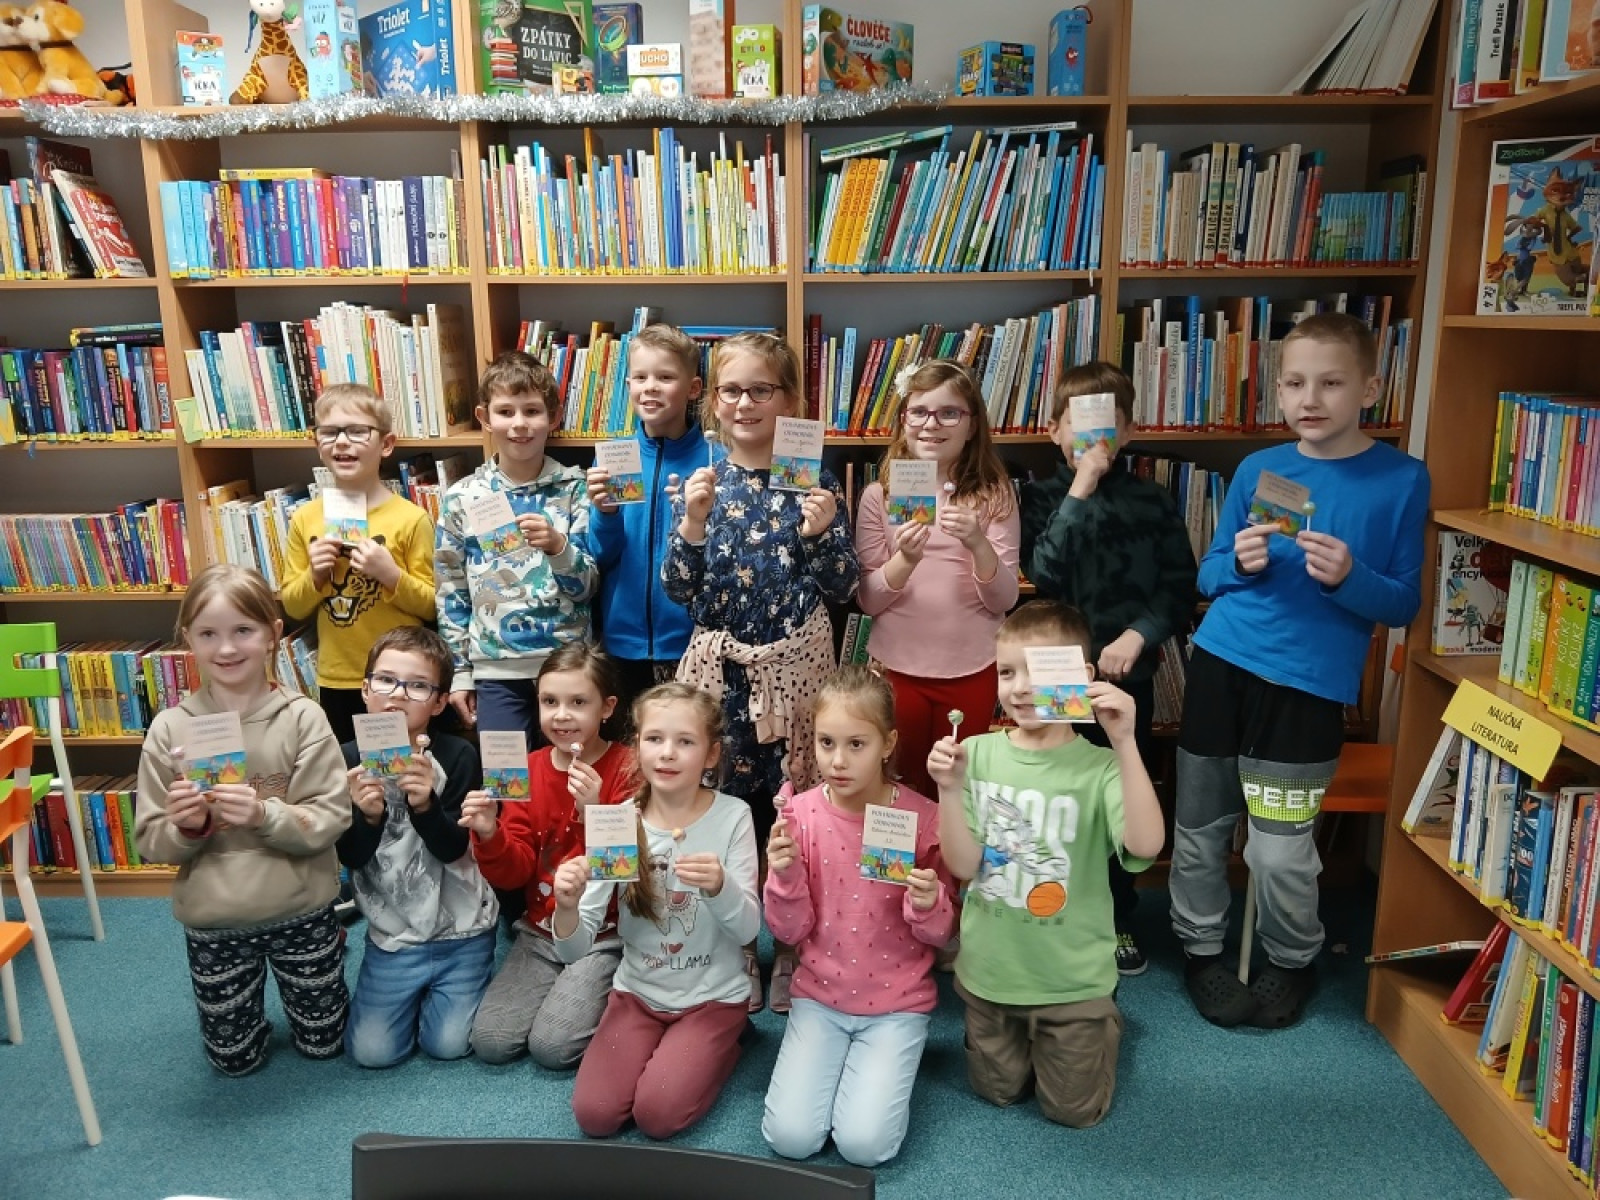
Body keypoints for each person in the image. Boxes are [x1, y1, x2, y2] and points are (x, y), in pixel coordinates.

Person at [1170, 312, 1428, 1030]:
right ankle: (1200, 949)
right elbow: (1209, 572)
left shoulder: (1401, 479)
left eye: (1331, 383)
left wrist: (1350, 576)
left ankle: (1291, 957)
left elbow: (1404, 602)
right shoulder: (1261, 468)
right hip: (1223, 663)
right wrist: (1238, 563)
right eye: (1294, 383)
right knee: (1201, 826)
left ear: (1370, 388)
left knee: (1280, 850)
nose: (1309, 398)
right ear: (1278, 389)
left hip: (1308, 688)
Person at [663, 330, 859, 1013]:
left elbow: (844, 586)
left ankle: (795, 946)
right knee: (730, 809)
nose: (745, 403)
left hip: (797, 673)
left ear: (788, 400)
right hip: (724, 681)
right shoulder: (703, 484)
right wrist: (692, 524)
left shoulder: (815, 480)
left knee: (800, 807)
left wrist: (822, 533)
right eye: (731, 390)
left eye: (761, 390)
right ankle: (742, 946)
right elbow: (678, 590)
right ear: (713, 401)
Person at [927, 600, 1164, 1128]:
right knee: (997, 1092)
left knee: (1073, 1112)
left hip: (1071, 984)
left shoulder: (1102, 767)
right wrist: (949, 789)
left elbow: (1146, 846)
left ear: (1081, 675)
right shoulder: (977, 754)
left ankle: (1101, 1025)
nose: (1020, 688)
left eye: (1037, 671)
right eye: (1007, 672)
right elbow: (963, 866)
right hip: (991, 977)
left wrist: (1124, 741)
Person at [134, 563, 352, 1076]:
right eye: (208, 633)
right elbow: (150, 841)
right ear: (187, 638)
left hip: (301, 908)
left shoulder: (302, 717)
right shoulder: (170, 729)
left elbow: (331, 816)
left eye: (243, 631)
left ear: (273, 633)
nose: (226, 648)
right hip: (216, 918)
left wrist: (263, 814)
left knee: (327, 1043)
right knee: (234, 1062)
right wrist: (188, 827)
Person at [1020, 361, 1198, 976]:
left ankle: (1119, 915)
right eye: (1078, 422)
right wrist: (1081, 486)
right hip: (1056, 671)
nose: (1093, 436)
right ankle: (1053, 908)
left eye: (1107, 423)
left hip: (1125, 677)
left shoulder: (1152, 500)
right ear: (1054, 431)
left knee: (1118, 797)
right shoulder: (1039, 497)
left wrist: (1138, 635)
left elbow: (1179, 586)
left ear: (1127, 431)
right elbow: (1044, 573)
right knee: (1056, 794)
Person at [761, 665, 954, 1167]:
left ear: (888, 744)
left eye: (856, 744)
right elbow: (787, 930)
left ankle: (883, 1065)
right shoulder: (800, 816)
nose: (838, 760)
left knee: (864, 1147)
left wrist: (927, 901)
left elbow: (941, 934)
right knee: (790, 1138)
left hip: (896, 1004)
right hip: (819, 998)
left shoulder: (922, 818)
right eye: (826, 743)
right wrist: (784, 876)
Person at [552, 682, 760, 1140]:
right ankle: (677, 1050)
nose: (667, 753)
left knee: (658, 1116)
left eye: (685, 741)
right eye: (654, 738)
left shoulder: (733, 816)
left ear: (711, 754)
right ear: (637, 747)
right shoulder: (618, 821)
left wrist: (721, 887)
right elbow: (573, 950)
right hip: (638, 994)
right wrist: (566, 908)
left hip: (712, 998)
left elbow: (749, 929)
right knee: (595, 1115)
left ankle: (728, 1043)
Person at [462, 644, 635, 1068]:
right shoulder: (525, 767)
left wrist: (594, 812)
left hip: (606, 934)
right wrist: (490, 833)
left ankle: (626, 995)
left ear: (607, 708)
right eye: (550, 701)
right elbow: (513, 873)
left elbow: (626, 871)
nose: (561, 715)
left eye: (578, 702)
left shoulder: (628, 767)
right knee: (491, 1042)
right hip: (541, 930)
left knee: (553, 1048)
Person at [854, 359, 1020, 800]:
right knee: (897, 786)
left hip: (971, 667)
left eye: (949, 413)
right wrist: (906, 560)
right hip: (896, 668)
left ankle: (951, 850)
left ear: (972, 425)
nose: (932, 424)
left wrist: (978, 543)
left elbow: (1003, 600)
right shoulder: (879, 495)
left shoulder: (995, 495)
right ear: (903, 420)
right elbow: (868, 600)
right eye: (919, 412)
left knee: (957, 786)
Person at [337, 627, 497, 1069]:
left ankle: (448, 990)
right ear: (365, 689)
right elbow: (351, 857)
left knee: (449, 1044)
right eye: (386, 680)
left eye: (418, 686)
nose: (398, 694)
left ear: (439, 702)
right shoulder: (347, 759)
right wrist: (369, 818)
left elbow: (453, 848)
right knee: (371, 1054)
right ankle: (412, 995)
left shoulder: (458, 756)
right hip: (394, 935)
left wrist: (426, 805)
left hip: (462, 930)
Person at [436, 351, 597, 745]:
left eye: (532, 411)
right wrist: (460, 672)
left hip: (568, 667)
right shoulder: (462, 498)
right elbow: (451, 590)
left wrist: (559, 548)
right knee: (504, 775)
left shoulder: (576, 490)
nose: (519, 423)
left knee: (570, 770)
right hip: (496, 672)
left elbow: (588, 588)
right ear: (484, 417)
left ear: (554, 417)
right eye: (506, 412)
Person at [280, 383, 436, 745]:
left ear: (386, 444)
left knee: (401, 766)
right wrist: (315, 575)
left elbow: (431, 606)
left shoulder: (411, 519)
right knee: (351, 768)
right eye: (330, 432)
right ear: (316, 442)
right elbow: (293, 605)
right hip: (338, 677)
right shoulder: (306, 518)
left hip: (399, 682)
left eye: (357, 431)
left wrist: (391, 576)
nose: (341, 442)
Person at [586, 324, 710, 723]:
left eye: (665, 377)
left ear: (693, 389)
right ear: (628, 386)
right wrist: (605, 514)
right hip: (622, 644)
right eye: (640, 377)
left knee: (685, 743)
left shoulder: (714, 459)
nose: (650, 387)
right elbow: (601, 556)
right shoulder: (614, 457)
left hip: (691, 642)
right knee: (628, 749)